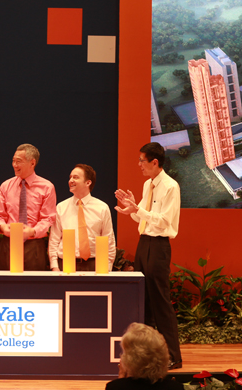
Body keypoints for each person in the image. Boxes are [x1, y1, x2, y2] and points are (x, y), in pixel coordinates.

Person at [115, 142, 182, 370]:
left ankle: (173, 356)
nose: (139, 165)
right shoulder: (148, 185)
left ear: (155, 162)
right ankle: (147, 356)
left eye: (142, 160)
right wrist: (131, 210)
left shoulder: (171, 186)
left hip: (159, 245)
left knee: (160, 301)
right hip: (144, 243)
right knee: (144, 302)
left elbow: (163, 221)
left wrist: (138, 209)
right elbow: (143, 217)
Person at [0, 144, 56, 270]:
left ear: (32, 163)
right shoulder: (5, 186)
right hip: (9, 244)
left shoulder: (47, 187)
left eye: (18, 161)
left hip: (33, 245)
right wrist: (2, 227)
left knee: (34, 287)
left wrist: (33, 231)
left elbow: (48, 219)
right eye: (13, 161)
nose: (14, 165)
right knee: (4, 287)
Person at [49, 164, 116, 272]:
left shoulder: (102, 208)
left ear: (88, 182)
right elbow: (54, 239)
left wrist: (107, 268)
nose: (71, 180)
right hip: (66, 264)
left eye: (75, 177)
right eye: (70, 177)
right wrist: (54, 266)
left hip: (94, 264)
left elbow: (109, 240)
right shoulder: (61, 207)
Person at [106, 323, 183, 390]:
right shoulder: (175, 387)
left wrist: (121, 378)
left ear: (128, 360)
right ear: (163, 356)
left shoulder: (114, 387)